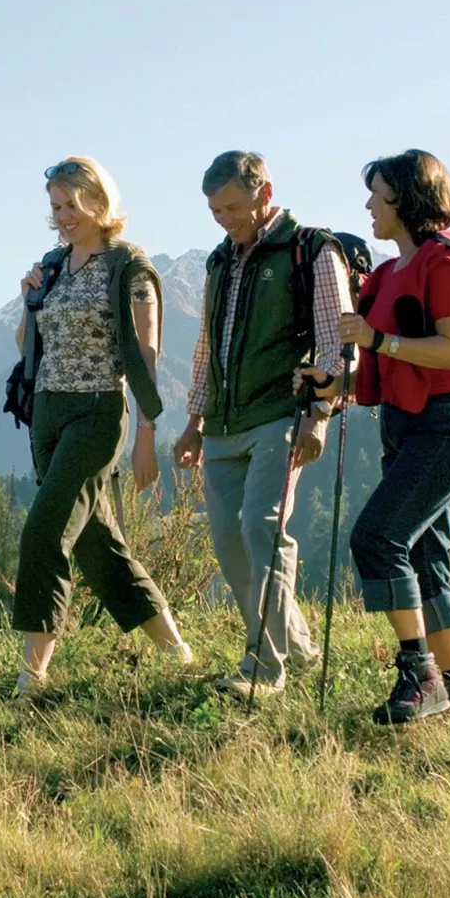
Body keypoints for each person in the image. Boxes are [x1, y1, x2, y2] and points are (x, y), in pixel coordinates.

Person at [305, 149, 450, 724]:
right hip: (406, 425)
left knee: (378, 537)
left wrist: (376, 340)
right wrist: (330, 380)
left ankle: (420, 675)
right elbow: (376, 361)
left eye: (378, 192)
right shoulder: (390, 275)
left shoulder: (441, 262)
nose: (369, 204)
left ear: (408, 199)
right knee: (425, 556)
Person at [172, 150, 354, 699]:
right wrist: (194, 421)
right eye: (214, 210)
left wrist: (320, 415)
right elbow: (206, 347)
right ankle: (295, 643)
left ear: (264, 193)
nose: (224, 219)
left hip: (281, 412)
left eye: (232, 206)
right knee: (229, 540)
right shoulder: (218, 263)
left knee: (261, 529)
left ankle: (262, 667)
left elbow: (337, 340)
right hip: (224, 422)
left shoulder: (311, 251)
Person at [11, 155, 191, 696]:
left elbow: (146, 351)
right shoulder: (52, 262)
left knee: (44, 531)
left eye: (71, 204)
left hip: (96, 412)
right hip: (45, 410)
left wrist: (144, 435)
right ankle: (175, 650)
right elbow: (28, 345)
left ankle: (32, 675)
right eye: (56, 207)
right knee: (96, 543)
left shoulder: (128, 267)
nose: (62, 216)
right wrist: (29, 300)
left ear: (98, 200)